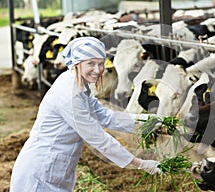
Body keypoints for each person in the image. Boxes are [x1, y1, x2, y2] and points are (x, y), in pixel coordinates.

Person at [10, 37, 162, 192]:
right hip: (39, 172)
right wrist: (140, 164)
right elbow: (97, 138)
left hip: (55, 167)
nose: (98, 69)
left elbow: (106, 116)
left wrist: (148, 122)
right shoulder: (69, 93)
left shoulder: (80, 86)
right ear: (77, 63)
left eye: (101, 63)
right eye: (91, 63)